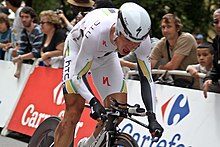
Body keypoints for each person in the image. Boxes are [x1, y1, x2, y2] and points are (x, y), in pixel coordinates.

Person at [54, 2, 164, 147]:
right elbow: (78, 76)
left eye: (136, 44)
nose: (131, 47)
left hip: (106, 55)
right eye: (128, 40)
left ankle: (88, 145)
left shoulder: (143, 40)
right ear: (117, 30)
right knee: (74, 110)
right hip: (78, 49)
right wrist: (93, 102)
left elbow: (147, 79)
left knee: (119, 111)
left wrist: (152, 117)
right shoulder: (96, 33)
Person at [12, 6, 44, 78]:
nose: (23, 19)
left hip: (42, 62)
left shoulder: (38, 30)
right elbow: (22, 51)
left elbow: (36, 53)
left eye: (26, 17)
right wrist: (18, 70)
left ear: (32, 18)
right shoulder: (24, 31)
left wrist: (19, 57)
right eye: (22, 17)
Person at [203, 9, 220, 98]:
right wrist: (209, 78)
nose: (219, 25)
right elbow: (216, 67)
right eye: (216, 22)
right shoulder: (216, 41)